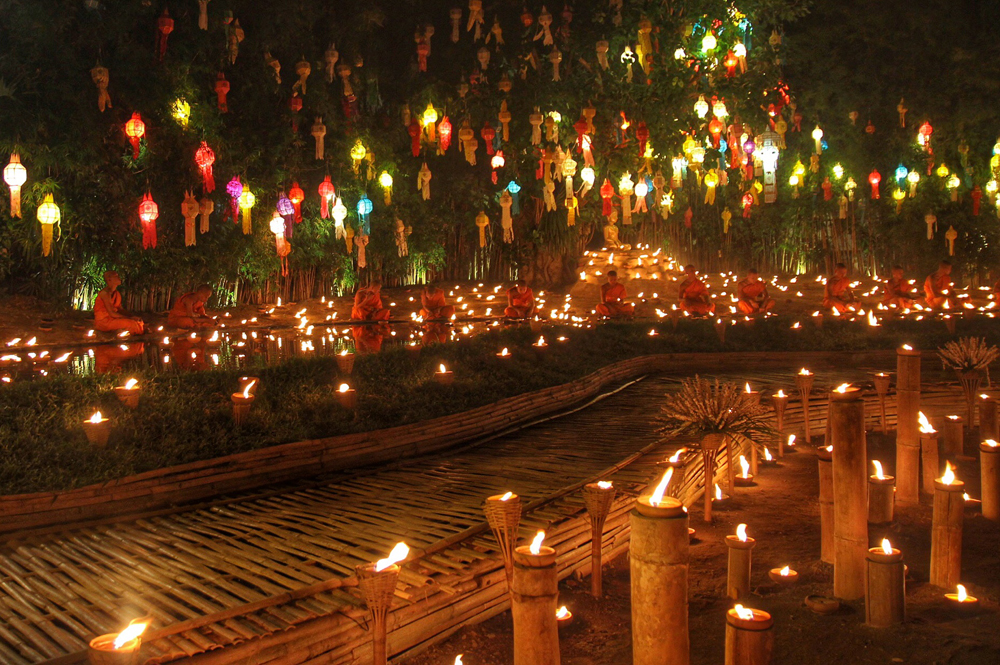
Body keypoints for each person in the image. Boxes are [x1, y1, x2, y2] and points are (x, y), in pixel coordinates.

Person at [93, 271, 146, 335]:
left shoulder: (117, 294)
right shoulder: (104, 293)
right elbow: (112, 313)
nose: (119, 278)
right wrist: (129, 318)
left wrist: (132, 316)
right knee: (131, 324)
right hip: (104, 322)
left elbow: (120, 310)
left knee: (138, 321)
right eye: (116, 276)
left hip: (113, 319)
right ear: (109, 279)